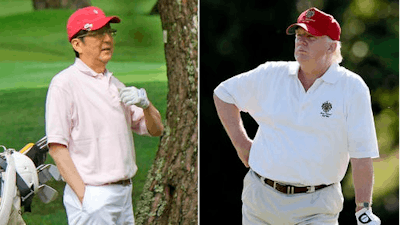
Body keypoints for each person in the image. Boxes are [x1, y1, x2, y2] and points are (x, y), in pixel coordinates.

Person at [213, 7, 381, 225]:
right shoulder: (271, 74)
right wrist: (241, 143)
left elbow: (361, 156)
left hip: (317, 208)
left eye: (310, 37)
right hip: (260, 202)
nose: (301, 41)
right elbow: (224, 94)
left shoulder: (352, 87)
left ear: (331, 46)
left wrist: (363, 209)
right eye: (299, 35)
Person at [45, 6, 164, 225]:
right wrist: (85, 197)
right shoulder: (64, 84)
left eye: (109, 32)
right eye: (98, 33)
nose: (107, 39)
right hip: (93, 195)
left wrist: (146, 104)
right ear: (77, 44)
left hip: (124, 194)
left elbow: (156, 130)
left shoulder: (116, 85)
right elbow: (57, 147)